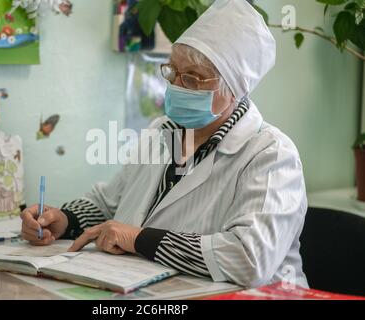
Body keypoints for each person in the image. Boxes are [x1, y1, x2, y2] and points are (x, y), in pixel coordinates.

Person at [20, 0, 308, 288]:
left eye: (193, 79)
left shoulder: (271, 155)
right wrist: (63, 220)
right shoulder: (163, 131)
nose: (177, 87)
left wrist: (138, 238)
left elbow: (248, 258)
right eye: (172, 72)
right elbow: (111, 202)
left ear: (235, 89)